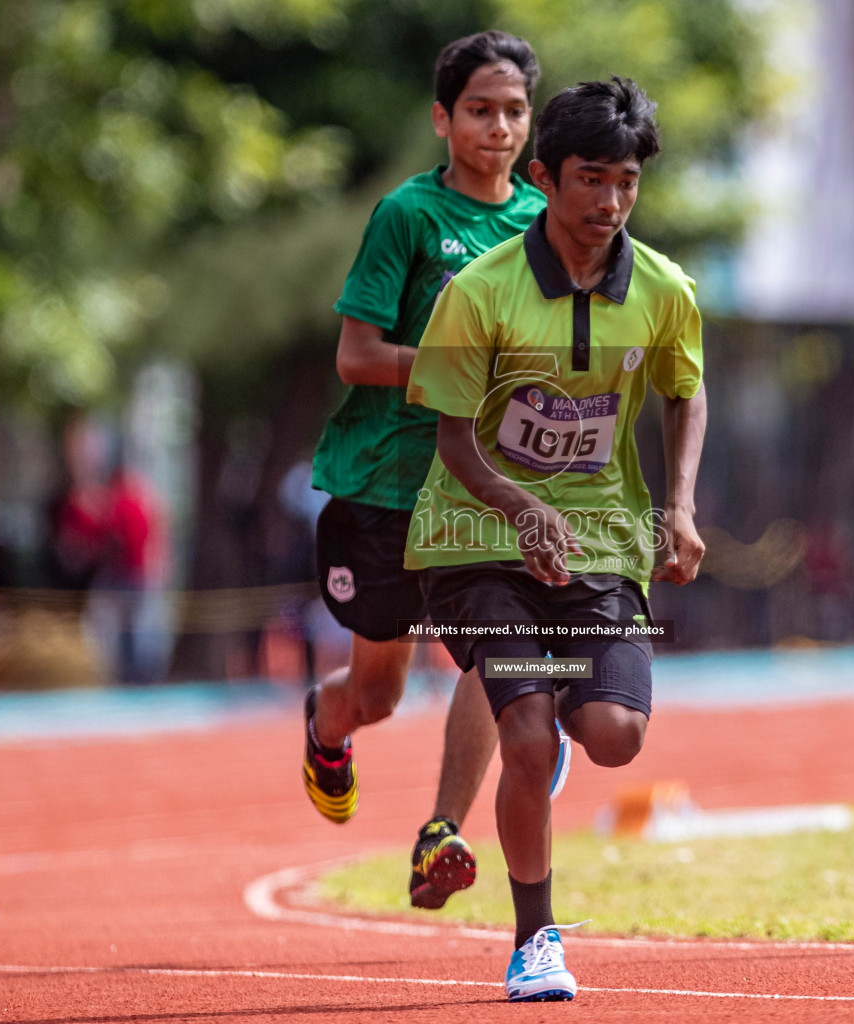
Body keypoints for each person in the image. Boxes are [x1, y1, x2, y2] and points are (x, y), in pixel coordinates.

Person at [405, 77, 707, 1002]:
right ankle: (535, 941)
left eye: (625, 183)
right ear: (544, 176)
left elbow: (683, 391)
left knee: (613, 735)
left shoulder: (663, 289)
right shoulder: (479, 292)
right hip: (472, 543)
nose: (608, 203)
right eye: (589, 180)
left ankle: (554, 723)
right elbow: (453, 436)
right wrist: (518, 508)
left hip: (601, 544)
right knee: (526, 738)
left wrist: (681, 505)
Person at [304, 30, 565, 911]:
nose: (499, 128)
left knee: (494, 662)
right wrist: (455, 366)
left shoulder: (541, 221)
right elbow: (357, 356)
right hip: (385, 483)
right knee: (376, 696)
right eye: (481, 111)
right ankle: (324, 725)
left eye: (515, 112)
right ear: (442, 119)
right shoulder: (408, 217)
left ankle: (439, 834)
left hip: (483, 488)